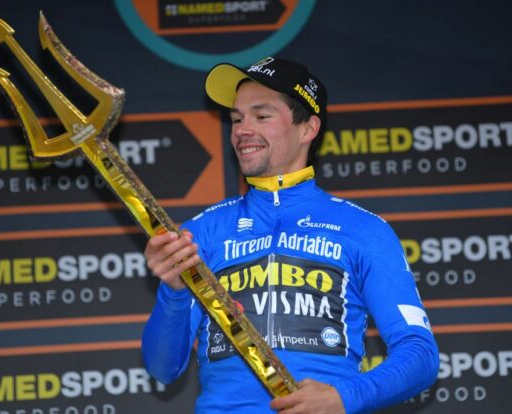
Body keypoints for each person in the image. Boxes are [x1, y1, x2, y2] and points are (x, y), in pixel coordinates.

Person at [141, 57, 439, 413]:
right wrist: (174, 293)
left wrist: (343, 398)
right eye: (237, 119)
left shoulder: (364, 230)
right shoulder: (201, 233)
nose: (241, 130)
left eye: (261, 116)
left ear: (308, 128)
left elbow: (419, 354)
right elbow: (162, 368)